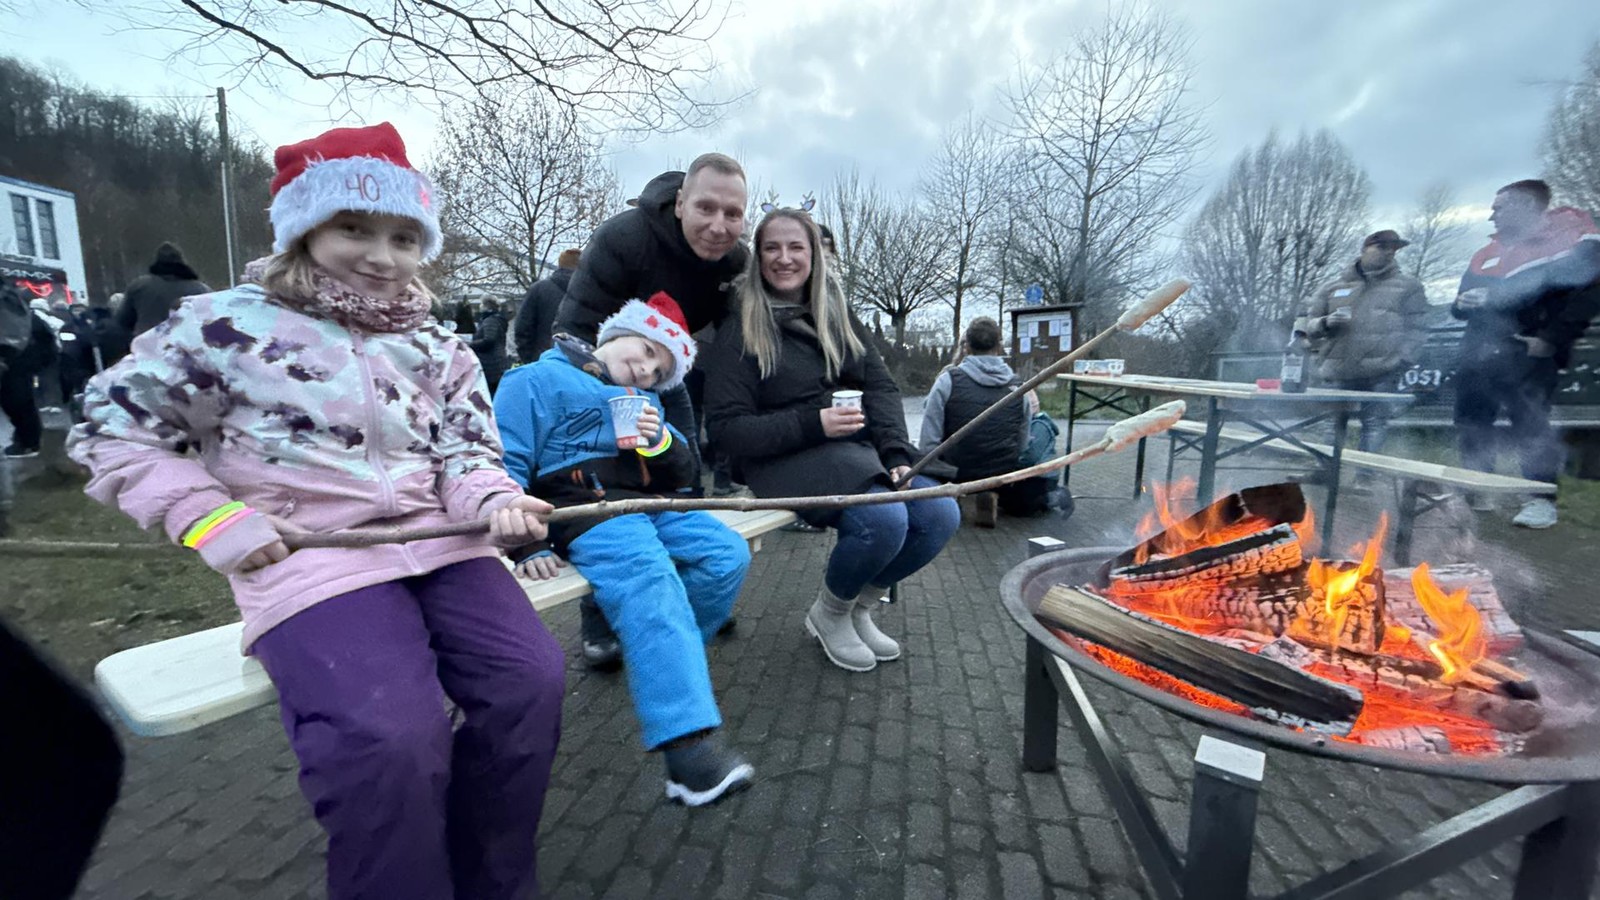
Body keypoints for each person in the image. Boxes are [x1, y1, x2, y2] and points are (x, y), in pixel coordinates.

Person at [67, 122, 565, 900]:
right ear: (305, 228)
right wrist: (211, 519)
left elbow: (468, 453)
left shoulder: (440, 347)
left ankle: (495, 881)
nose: (382, 256)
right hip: (311, 560)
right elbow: (111, 432)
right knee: (391, 737)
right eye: (354, 228)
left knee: (531, 681)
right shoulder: (222, 328)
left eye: (404, 237)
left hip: (442, 544)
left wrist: (494, 500)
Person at [497, 291, 754, 806]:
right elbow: (504, 467)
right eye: (646, 350)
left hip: (650, 505)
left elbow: (685, 474)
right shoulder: (534, 381)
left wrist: (660, 443)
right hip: (587, 510)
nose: (646, 370)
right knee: (651, 582)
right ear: (616, 335)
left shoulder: (647, 403)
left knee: (728, 555)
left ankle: (659, 652)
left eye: (660, 372)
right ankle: (687, 751)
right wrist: (527, 544)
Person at [705, 209, 961, 673]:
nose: (784, 258)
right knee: (883, 519)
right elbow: (727, 430)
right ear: (758, 257)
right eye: (772, 248)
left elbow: (881, 388)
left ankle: (858, 608)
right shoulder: (739, 328)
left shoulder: (837, 314)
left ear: (814, 255)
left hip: (850, 450)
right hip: (779, 457)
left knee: (939, 512)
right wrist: (813, 423)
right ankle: (830, 613)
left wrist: (897, 452)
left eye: (796, 247)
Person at [554, 153, 750, 659]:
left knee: (684, 477)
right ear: (680, 202)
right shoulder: (625, 238)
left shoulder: (736, 263)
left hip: (669, 377)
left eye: (732, 214)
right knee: (610, 492)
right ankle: (599, 616)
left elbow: (737, 340)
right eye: (706, 208)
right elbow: (573, 325)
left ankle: (688, 588)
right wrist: (601, 395)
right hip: (600, 372)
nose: (718, 226)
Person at [1451, 179, 1600, 529]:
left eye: (1499, 208)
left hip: (1528, 350)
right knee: (1471, 420)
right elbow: (1458, 305)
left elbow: (1589, 297)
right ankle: (1477, 489)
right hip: (1478, 351)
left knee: (1530, 422)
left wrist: (1551, 338)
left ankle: (1540, 499)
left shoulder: (1573, 240)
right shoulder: (1486, 253)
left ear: (1528, 205)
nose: (1491, 216)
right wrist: (1460, 304)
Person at [1300, 229, 1431, 454]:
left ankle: (1366, 473)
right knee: (1332, 424)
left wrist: (1403, 360)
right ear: (1364, 249)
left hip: (1383, 371)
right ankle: (1327, 470)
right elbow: (1306, 327)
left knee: (1374, 424)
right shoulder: (1332, 287)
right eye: (1382, 247)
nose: (1389, 252)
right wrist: (1325, 322)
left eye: (1393, 249)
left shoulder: (1409, 287)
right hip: (1337, 369)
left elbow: (1418, 328)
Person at [919, 317, 1058, 525]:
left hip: (956, 470)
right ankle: (989, 492)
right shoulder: (1018, 389)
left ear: (966, 346)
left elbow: (928, 441)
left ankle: (951, 495)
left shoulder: (948, 380)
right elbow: (1022, 445)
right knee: (1042, 425)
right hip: (1001, 472)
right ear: (999, 346)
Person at [1, 290, 57, 457]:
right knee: (16, 399)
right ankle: (28, 440)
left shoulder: (9, 304)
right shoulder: (15, 305)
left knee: (16, 398)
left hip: (18, 358)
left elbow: (14, 335)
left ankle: (29, 441)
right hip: (21, 358)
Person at [116, 242, 211, 336]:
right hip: (187, 343)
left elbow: (122, 322)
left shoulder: (138, 287)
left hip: (148, 343)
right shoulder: (201, 290)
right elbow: (212, 321)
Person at [515, 247, 580, 362]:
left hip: (543, 358)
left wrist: (530, 359)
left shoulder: (538, 289)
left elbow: (523, 328)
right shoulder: (592, 292)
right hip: (580, 360)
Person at [469, 296, 509, 394]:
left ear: (487, 306)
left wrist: (470, 345)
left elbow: (489, 340)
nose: (480, 306)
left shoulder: (490, 321)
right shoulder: (496, 320)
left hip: (491, 365)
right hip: (497, 362)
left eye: (482, 304)